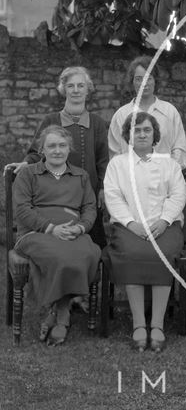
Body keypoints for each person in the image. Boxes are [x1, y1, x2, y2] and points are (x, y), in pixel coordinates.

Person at [103, 112, 186, 352]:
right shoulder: (118, 164)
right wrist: (131, 223)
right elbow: (113, 196)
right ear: (128, 135)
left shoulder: (169, 164)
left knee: (162, 254)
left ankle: (158, 324)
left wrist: (164, 221)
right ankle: (139, 323)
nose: (141, 134)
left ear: (155, 135)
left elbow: (177, 195)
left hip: (165, 226)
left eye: (146, 130)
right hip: (128, 226)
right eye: (136, 130)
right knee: (132, 253)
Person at [12, 125, 101, 346]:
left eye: (62, 145)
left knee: (88, 252)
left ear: (69, 149)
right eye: (51, 146)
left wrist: (80, 228)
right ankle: (62, 316)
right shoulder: (28, 174)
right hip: (36, 233)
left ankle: (55, 311)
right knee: (60, 256)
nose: (57, 150)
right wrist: (51, 228)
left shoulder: (81, 176)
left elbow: (90, 208)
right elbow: (22, 210)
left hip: (72, 231)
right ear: (42, 149)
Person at [5, 66, 109, 247]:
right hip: (57, 194)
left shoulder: (98, 123)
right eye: (71, 86)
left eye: (80, 85)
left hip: (87, 194)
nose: (76, 90)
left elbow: (102, 160)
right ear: (63, 89)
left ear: (87, 89)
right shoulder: (51, 120)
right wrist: (26, 164)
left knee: (90, 246)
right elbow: (36, 152)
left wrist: (101, 188)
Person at [108, 56, 186, 169]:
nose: (144, 83)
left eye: (148, 78)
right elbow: (115, 153)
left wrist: (169, 173)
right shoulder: (121, 115)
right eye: (138, 79)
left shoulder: (170, 112)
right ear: (132, 82)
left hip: (163, 181)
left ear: (155, 80)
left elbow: (179, 148)